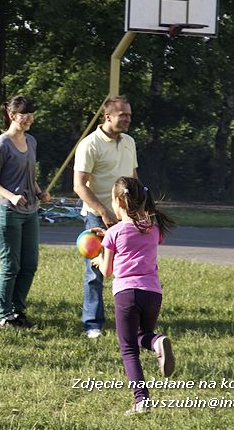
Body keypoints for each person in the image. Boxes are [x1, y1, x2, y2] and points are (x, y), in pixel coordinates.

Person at [90, 176, 176, 415]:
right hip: (152, 293)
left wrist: (99, 255)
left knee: (128, 348)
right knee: (144, 335)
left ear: (119, 202)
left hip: (127, 294)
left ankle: (141, 401)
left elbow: (107, 271)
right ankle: (158, 342)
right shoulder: (154, 229)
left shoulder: (113, 234)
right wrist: (110, 236)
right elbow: (135, 234)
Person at [73, 95, 138, 339]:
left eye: (129, 115)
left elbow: (133, 178)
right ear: (107, 116)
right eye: (123, 116)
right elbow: (79, 186)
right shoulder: (89, 144)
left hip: (126, 217)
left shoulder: (129, 142)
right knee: (96, 273)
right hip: (97, 218)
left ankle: (130, 320)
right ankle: (93, 324)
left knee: (130, 269)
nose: (127, 120)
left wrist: (135, 210)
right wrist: (104, 211)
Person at [0, 95, 50, 329]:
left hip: (30, 211)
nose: (30, 119)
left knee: (29, 264)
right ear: (12, 116)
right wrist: (11, 195)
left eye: (32, 115)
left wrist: (39, 191)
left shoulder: (31, 141)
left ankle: (18, 310)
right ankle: (4, 314)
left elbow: (28, 177)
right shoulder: (2, 143)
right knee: (11, 265)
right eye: (25, 115)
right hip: (7, 211)